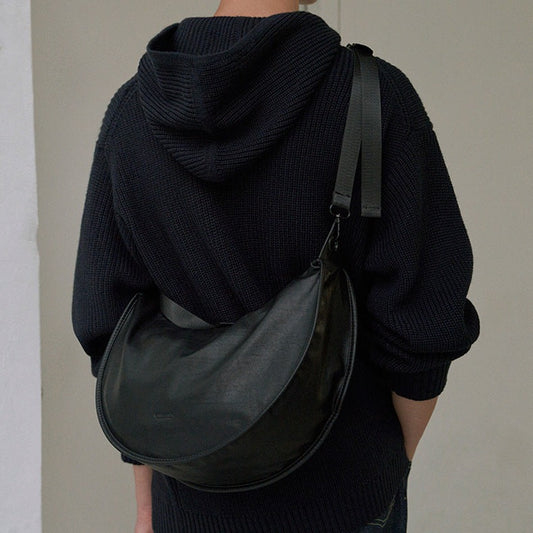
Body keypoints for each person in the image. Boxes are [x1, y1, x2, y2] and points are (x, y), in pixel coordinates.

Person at [71, 0, 481, 531]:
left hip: (189, 504)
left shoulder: (132, 113)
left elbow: (112, 325)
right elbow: (424, 318)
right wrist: (392, 462)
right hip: (344, 499)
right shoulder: (372, 96)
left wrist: (147, 506)